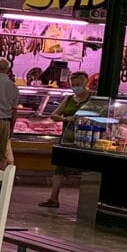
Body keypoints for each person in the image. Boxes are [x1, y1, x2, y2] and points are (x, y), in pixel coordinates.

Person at [40, 72, 94, 209]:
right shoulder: (69, 99)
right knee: (59, 168)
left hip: (86, 138)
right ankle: (53, 199)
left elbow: (97, 115)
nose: (76, 87)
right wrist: (65, 119)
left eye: (78, 84)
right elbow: (54, 115)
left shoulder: (93, 98)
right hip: (67, 138)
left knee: (86, 170)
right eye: (73, 85)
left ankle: (88, 203)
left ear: (86, 83)